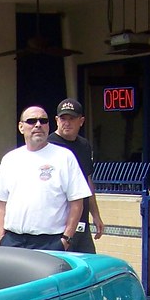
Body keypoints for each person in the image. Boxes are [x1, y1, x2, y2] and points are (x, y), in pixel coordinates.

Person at [0, 105, 91, 251]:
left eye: (43, 121)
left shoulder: (64, 157)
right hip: (13, 241)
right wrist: (2, 237)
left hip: (51, 242)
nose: (38, 125)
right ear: (21, 127)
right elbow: (2, 204)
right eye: (32, 121)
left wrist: (66, 239)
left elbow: (77, 202)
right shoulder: (9, 159)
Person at [47, 98, 104, 253]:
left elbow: (87, 182)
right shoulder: (48, 145)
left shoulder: (84, 145)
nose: (67, 123)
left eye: (71, 119)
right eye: (63, 118)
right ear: (56, 120)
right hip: (57, 226)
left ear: (81, 121)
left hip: (81, 222)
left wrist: (96, 215)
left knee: (87, 266)